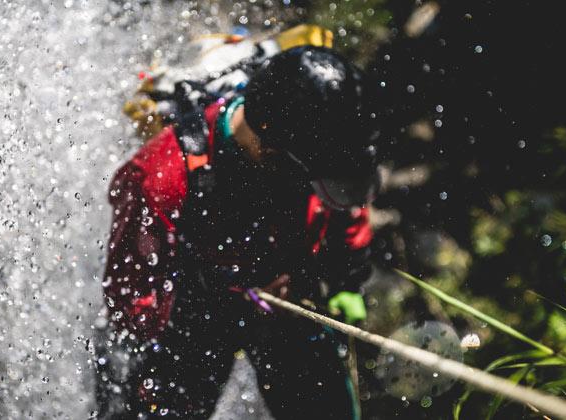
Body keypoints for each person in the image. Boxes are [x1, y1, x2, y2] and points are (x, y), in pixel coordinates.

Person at [97, 45, 381, 419]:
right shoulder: (160, 181)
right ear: (268, 148)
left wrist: (347, 279)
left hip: (289, 301)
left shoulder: (315, 149)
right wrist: (224, 296)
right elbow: (130, 298)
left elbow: (345, 204)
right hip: (191, 323)